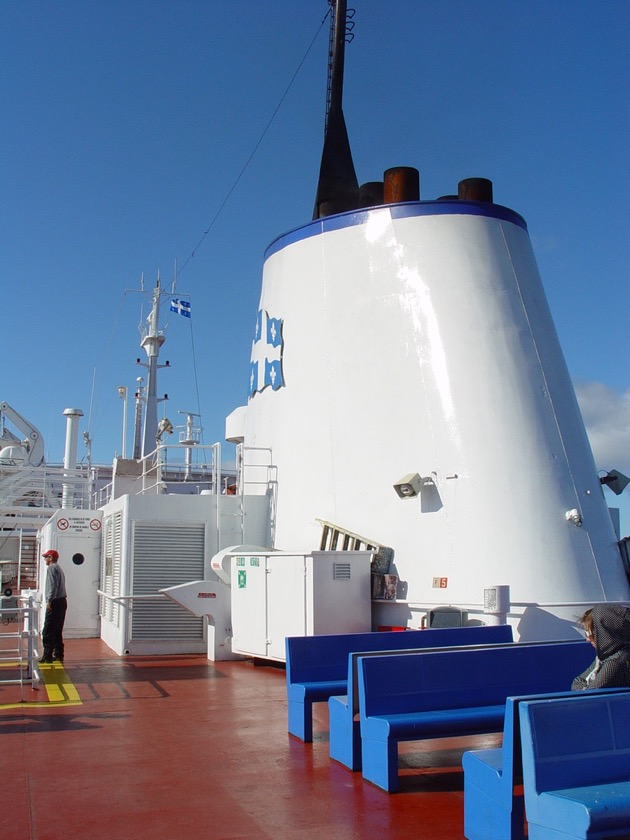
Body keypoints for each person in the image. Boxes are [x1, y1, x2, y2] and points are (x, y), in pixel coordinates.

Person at [572, 604, 630, 690]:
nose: (588, 639)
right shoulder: (603, 658)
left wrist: (585, 688)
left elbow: (592, 693)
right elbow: (577, 682)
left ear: (604, 632)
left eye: (589, 634)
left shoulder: (615, 662)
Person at [40, 549, 68, 664]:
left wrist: (49, 601)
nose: (45, 559)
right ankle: (58, 654)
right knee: (57, 630)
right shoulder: (59, 568)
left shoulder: (51, 568)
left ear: (50, 558)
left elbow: (52, 586)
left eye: (46, 557)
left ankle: (47, 656)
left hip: (55, 602)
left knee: (47, 630)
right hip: (62, 601)